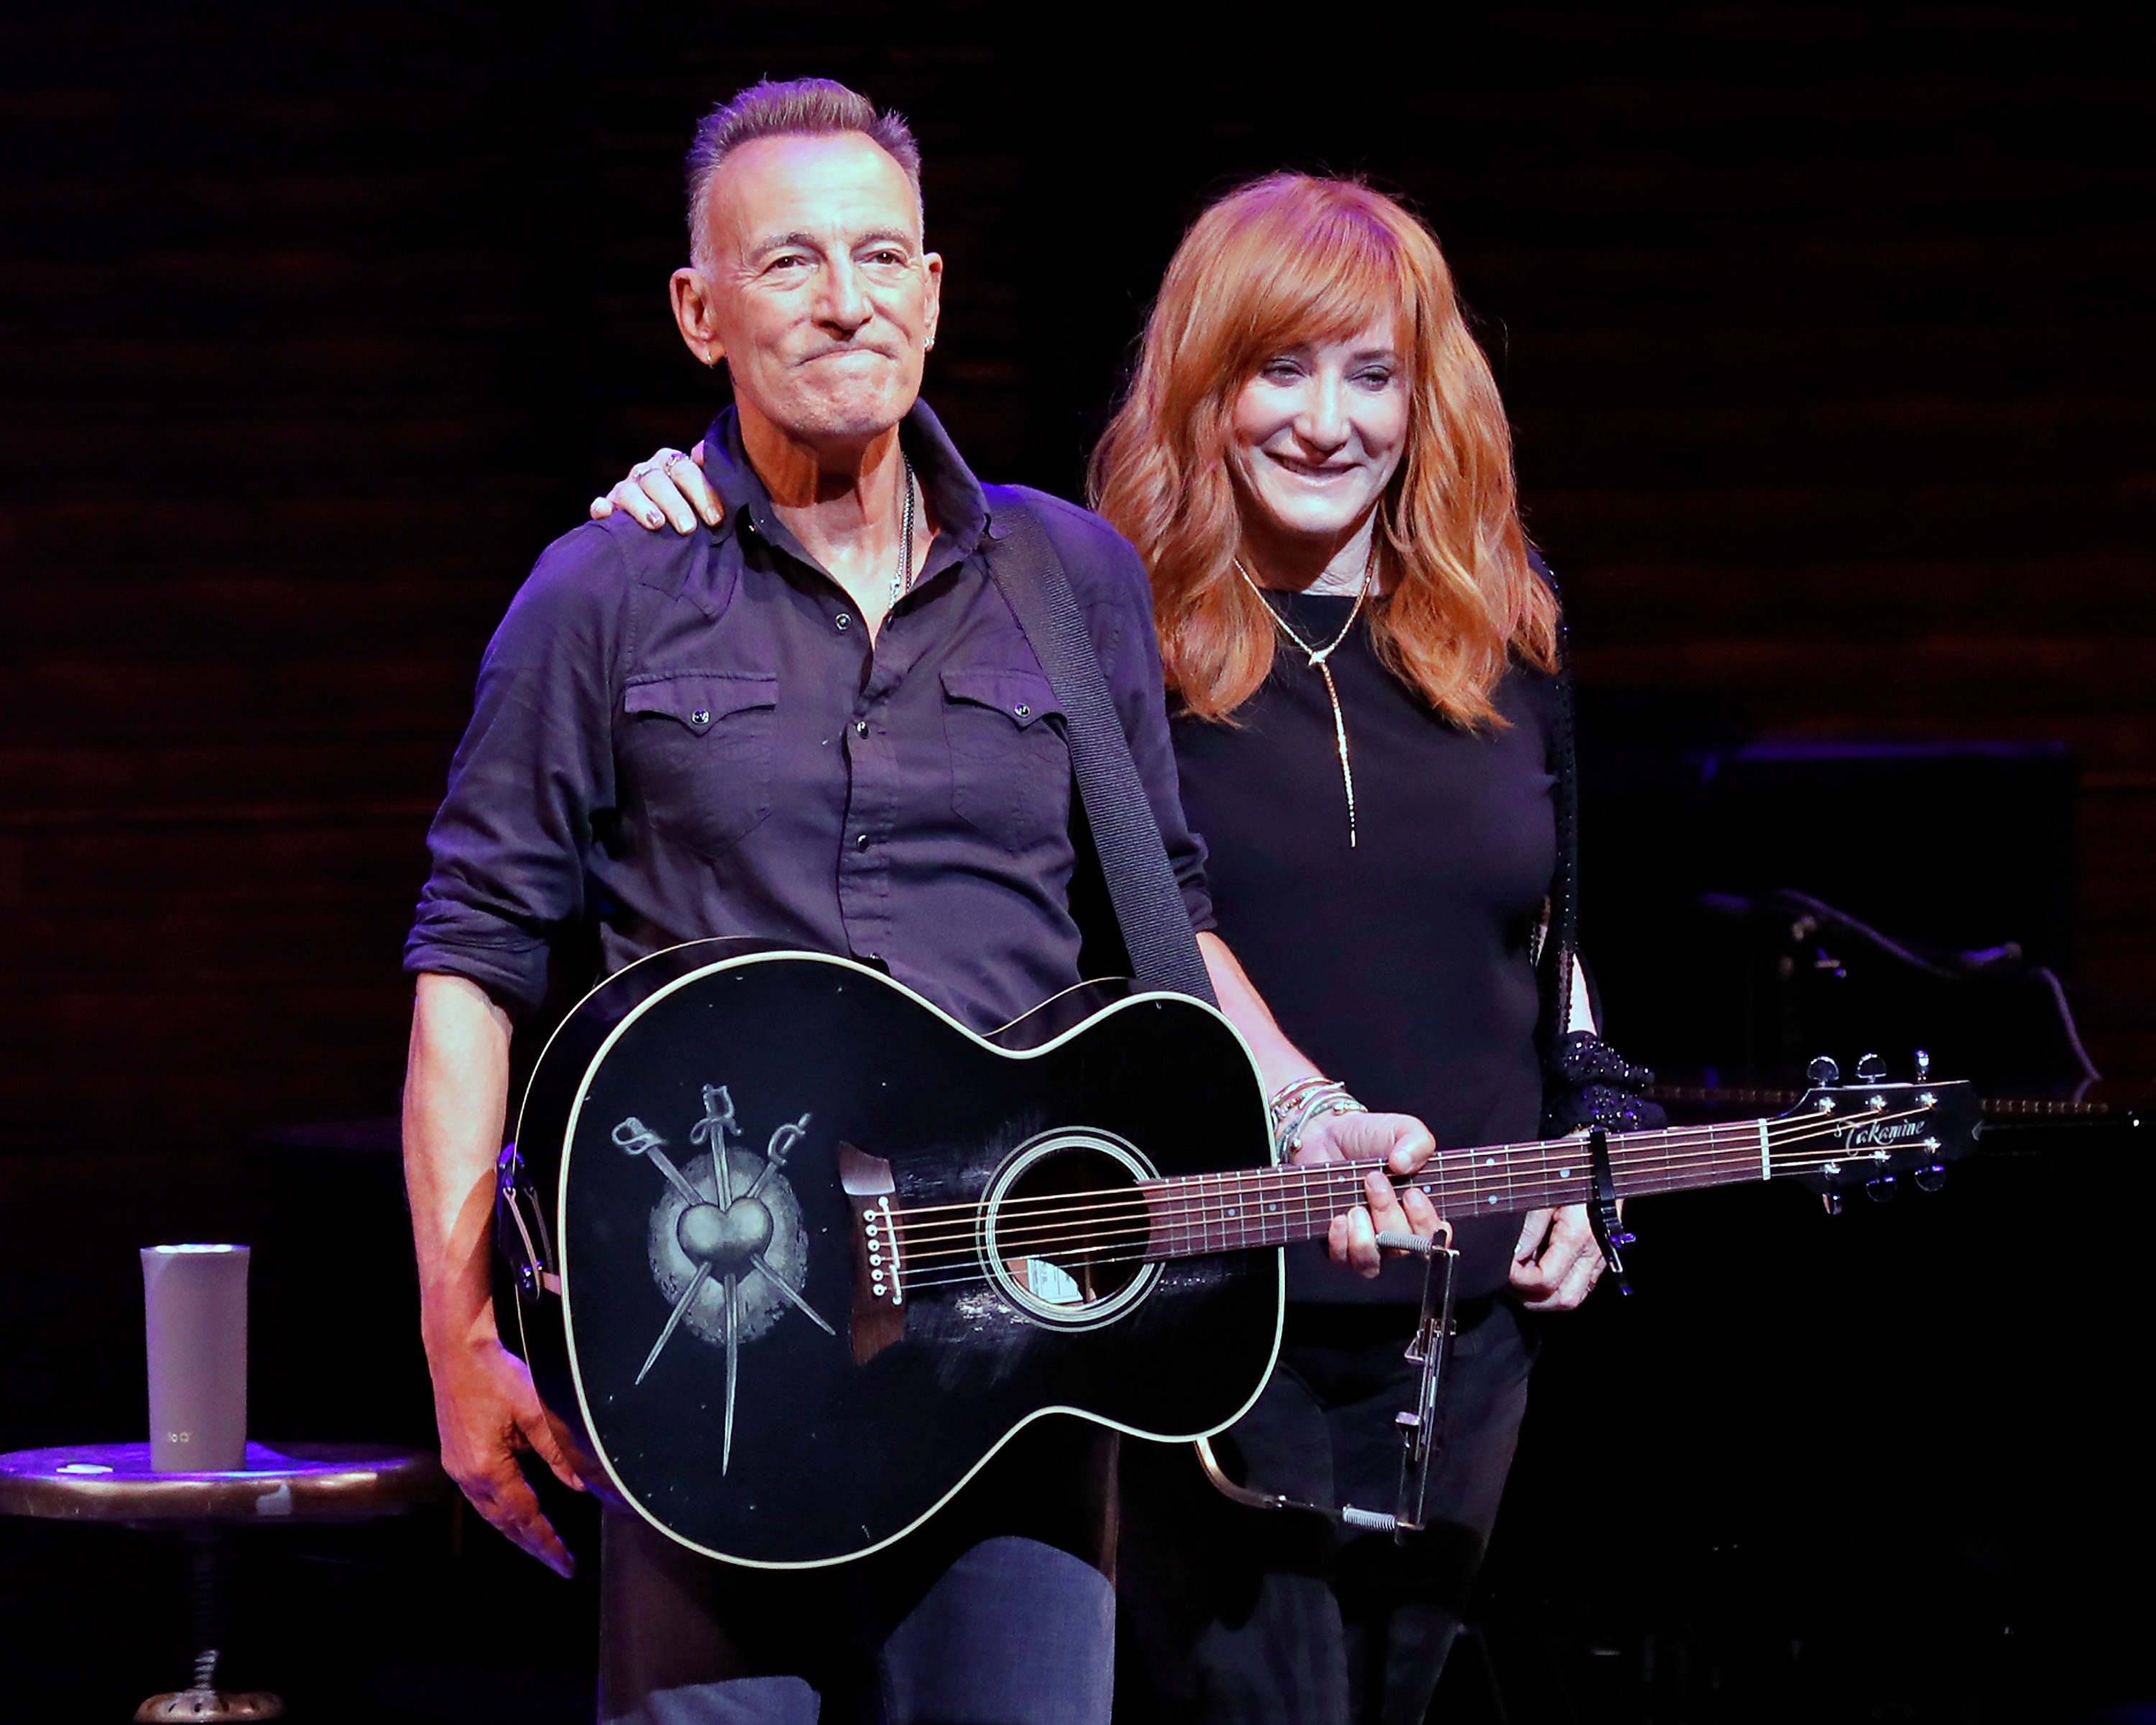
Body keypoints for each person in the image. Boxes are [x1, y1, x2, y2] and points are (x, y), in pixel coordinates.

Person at [401, 80, 1442, 1725]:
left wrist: (1307, 1112)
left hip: (1011, 1360)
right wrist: (459, 1342)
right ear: (700, 311)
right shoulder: (603, 589)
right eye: (791, 262)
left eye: (882, 256)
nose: (846, 299)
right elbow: (470, 960)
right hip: (716, 1355)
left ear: (937, 291)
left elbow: (1162, 922)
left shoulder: (1070, 576)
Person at [598, 172, 1664, 1725]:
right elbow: (1155, 926)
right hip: (1216, 1302)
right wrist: (676, 491)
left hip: (1467, 1307)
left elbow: (1548, 929)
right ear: (1202, 391)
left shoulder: (1502, 631)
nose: (1328, 421)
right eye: (1278, 372)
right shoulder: (1095, 618)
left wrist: (1596, 1136)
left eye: (1373, 376)